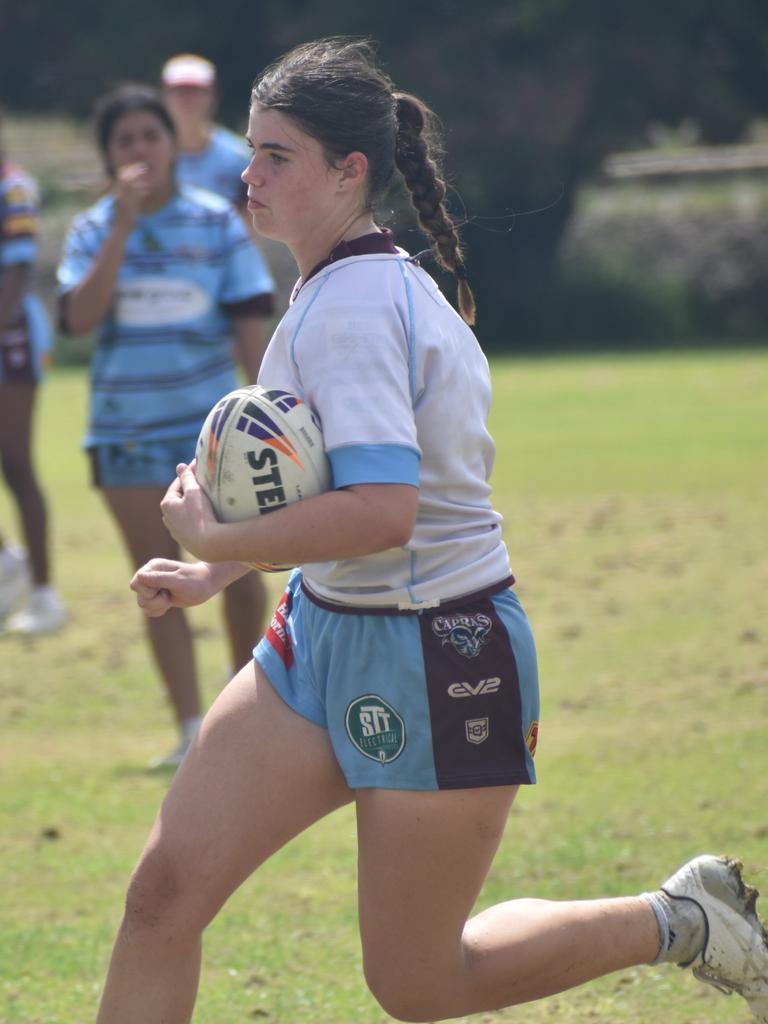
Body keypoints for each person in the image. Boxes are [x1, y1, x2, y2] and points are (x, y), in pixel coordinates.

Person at [94, 39, 768, 1022]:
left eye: (277, 155)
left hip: (440, 654)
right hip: (320, 630)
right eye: (251, 151)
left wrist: (224, 543)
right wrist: (222, 571)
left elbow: (384, 511)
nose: (248, 175)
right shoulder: (337, 285)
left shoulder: (358, 307)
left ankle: (682, 919)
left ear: (348, 170)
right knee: (163, 895)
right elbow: (344, 501)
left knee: (416, 982)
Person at [56, 84, 276, 769]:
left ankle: (248, 718)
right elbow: (77, 321)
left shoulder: (216, 223)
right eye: (125, 143)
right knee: (156, 581)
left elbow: (249, 324)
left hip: (210, 437)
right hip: (123, 429)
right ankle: (189, 731)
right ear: (109, 157)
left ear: (172, 145)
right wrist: (122, 225)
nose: (140, 151)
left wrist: (271, 413)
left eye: (150, 137)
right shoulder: (93, 229)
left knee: (239, 568)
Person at [0, 111, 67, 634]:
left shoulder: (14, 187)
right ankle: (7, 560)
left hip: (13, 339)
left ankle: (44, 593)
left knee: (17, 464)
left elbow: (14, 277)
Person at [161, 53, 251, 210]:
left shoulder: (238, 157)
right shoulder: (151, 154)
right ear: (165, 96)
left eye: (195, 91)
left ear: (212, 96)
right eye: (179, 91)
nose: (187, 99)